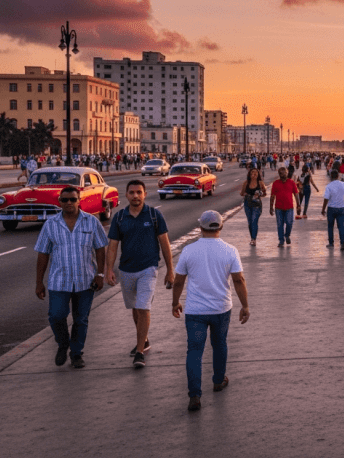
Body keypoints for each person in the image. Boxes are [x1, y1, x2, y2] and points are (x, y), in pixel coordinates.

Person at [171, 211, 250, 412]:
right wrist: (245, 305)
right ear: (221, 227)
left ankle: (195, 396)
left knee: (194, 351)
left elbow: (178, 280)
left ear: (201, 227)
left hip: (195, 311)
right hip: (221, 308)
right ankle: (218, 380)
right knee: (219, 344)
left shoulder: (189, 251)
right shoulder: (230, 250)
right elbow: (239, 280)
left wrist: (175, 302)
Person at [34, 186, 109, 369]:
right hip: (59, 281)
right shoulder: (51, 224)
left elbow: (100, 249)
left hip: (85, 280)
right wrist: (39, 283)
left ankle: (76, 354)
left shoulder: (91, 222)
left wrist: (100, 274)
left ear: (79, 200)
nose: (68, 203)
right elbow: (43, 254)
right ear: (59, 202)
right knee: (56, 316)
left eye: (72, 199)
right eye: (65, 200)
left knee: (81, 319)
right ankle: (63, 343)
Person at [104, 180, 174, 368]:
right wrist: (108, 270)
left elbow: (165, 243)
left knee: (143, 307)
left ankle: (140, 352)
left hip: (148, 268)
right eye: (132, 192)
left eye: (139, 192)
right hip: (126, 269)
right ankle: (145, 339)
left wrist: (170, 270)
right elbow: (112, 246)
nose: (135, 196)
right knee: (135, 308)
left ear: (144, 194)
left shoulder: (153, 215)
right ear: (126, 195)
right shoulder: (119, 218)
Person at [269, 166, 300, 247]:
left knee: (289, 222)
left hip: (289, 207)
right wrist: (271, 207)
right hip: (278, 208)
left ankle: (287, 235)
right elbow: (272, 196)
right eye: (282, 173)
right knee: (280, 224)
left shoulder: (292, 182)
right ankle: (281, 240)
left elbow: (296, 194)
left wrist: (298, 205)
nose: (284, 175)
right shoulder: (275, 183)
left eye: (285, 173)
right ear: (279, 174)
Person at [322, 170, 344, 251]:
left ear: (331, 176)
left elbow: (326, 199)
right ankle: (342, 243)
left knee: (330, 226)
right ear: (338, 176)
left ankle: (331, 243)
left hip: (331, 208)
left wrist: (323, 209)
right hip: (341, 208)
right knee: (341, 226)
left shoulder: (329, 186)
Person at [239, 167, 266, 246]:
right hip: (248, 203)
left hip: (257, 204)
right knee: (250, 221)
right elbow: (241, 193)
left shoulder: (260, 183)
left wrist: (259, 194)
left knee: (254, 220)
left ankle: (254, 239)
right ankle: (252, 238)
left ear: (258, 174)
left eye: (255, 173)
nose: (254, 175)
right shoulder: (246, 183)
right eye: (252, 174)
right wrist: (246, 194)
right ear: (249, 175)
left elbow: (265, 193)